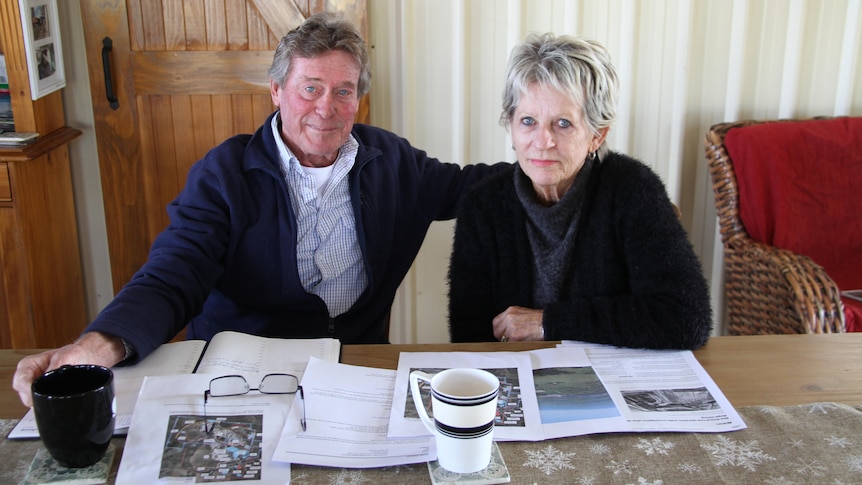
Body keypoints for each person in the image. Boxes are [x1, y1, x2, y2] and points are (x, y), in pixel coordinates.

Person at [13, 12, 500, 407]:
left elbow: (471, 187)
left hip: (351, 366)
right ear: (276, 91)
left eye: (343, 91)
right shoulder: (225, 174)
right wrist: (102, 343)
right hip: (242, 378)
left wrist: (558, 163)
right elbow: (172, 273)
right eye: (310, 87)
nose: (326, 108)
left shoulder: (390, 162)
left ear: (358, 99)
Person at [447, 33, 712, 349]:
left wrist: (549, 323)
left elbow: (686, 317)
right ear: (511, 127)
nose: (542, 141)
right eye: (528, 121)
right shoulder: (483, 206)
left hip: (612, 381)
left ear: (597, 135)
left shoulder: (632, 190)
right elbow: (469, 337)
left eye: (562, 124)